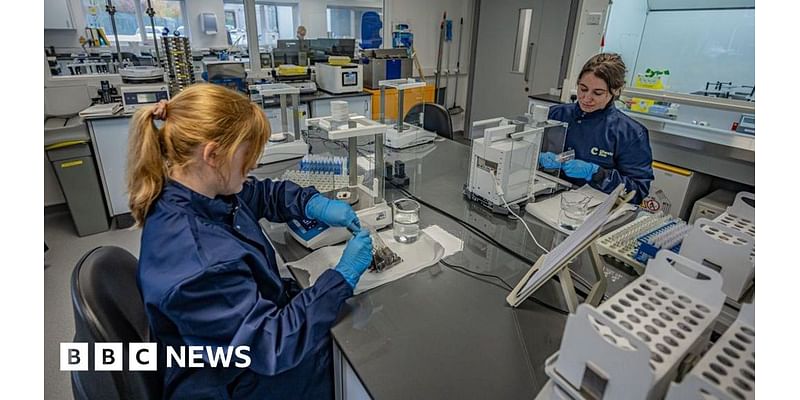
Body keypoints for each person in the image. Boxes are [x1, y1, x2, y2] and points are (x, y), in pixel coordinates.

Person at [127, 83, 373, 399]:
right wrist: (341, 277)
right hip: (230, 380)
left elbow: (258, 194)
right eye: (248, 152)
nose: (254, 163)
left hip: (236, 336)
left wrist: (310, 203)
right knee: (350, 357)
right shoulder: (199, 263)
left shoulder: (195, 187)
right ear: (213, 154)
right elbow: (272, 344)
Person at [539, 53, 654, 204]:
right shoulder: (556, 114)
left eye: (597, 93)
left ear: (616, 90)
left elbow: (637, 191)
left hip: (593, 209)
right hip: (546, 198)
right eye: (583, 88)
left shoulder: (630, 133)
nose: (586, 98)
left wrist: (597, 173)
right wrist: (536, 158)